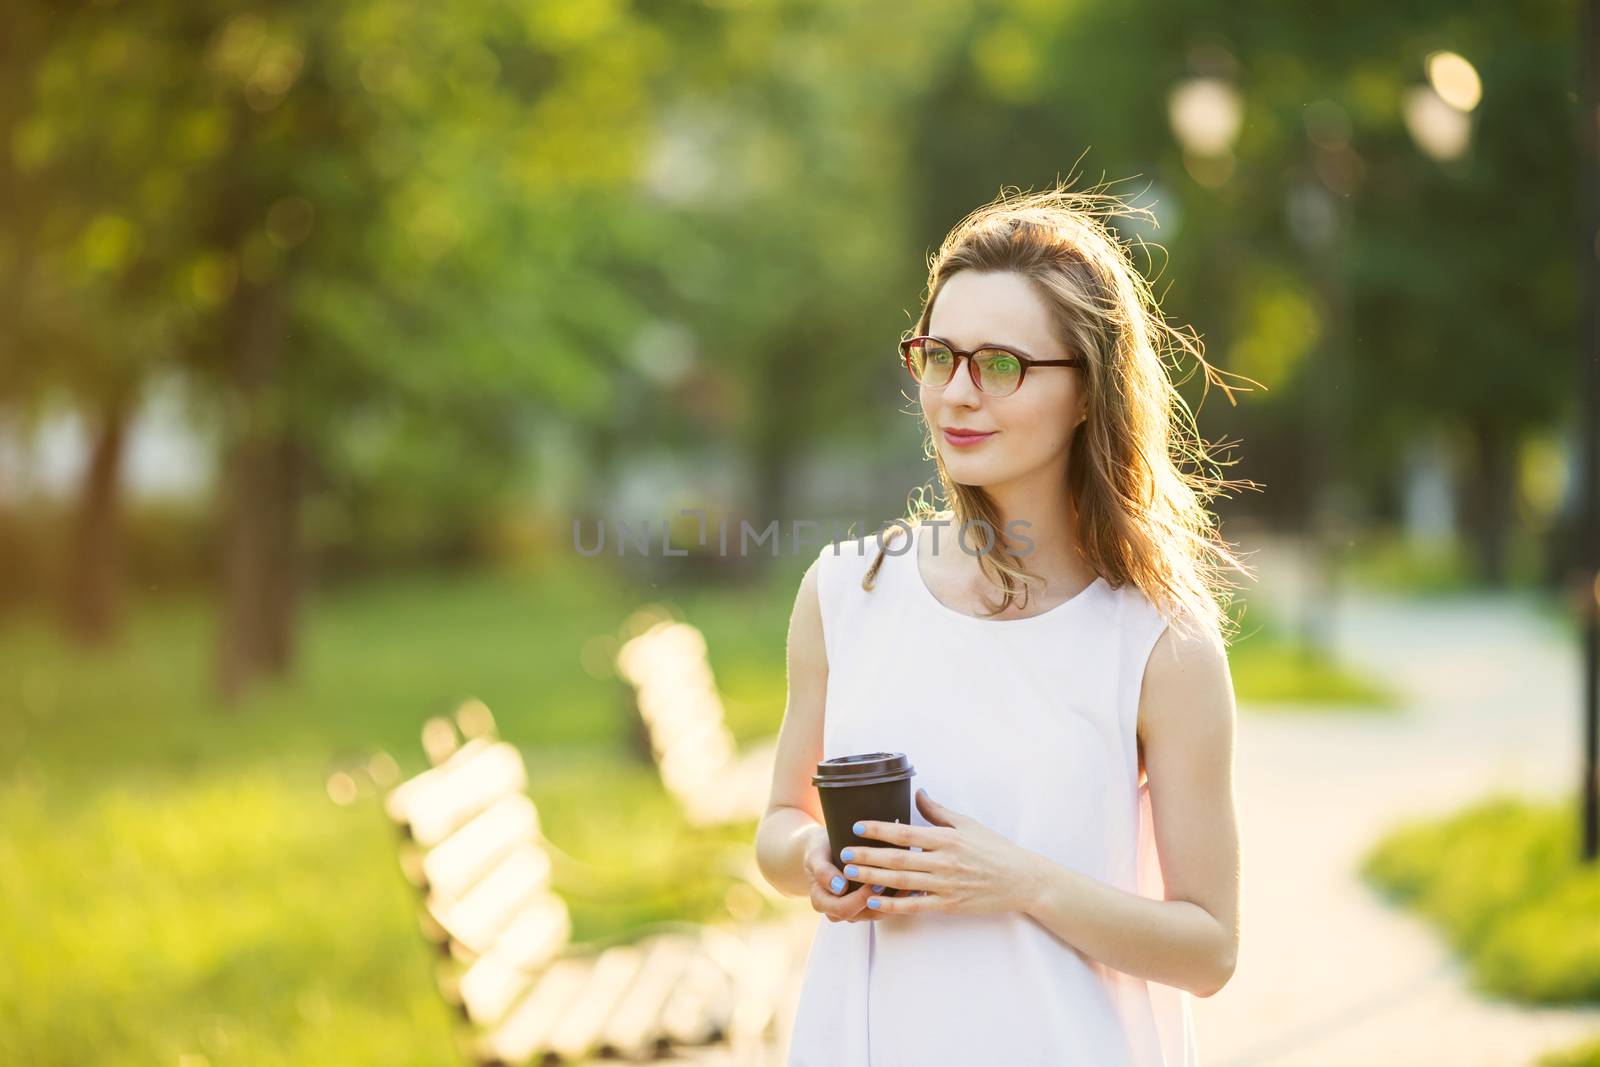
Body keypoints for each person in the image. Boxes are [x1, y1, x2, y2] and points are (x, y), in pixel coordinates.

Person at [753, 182, 1254, 1066]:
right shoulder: (844, 592)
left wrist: (1017, 880)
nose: (956, 393)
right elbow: (779, 825)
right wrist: (813, 863)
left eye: (1000, 365)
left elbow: (1210, 947)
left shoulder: (1160, 641)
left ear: (1088, 391)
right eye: (938, 356)